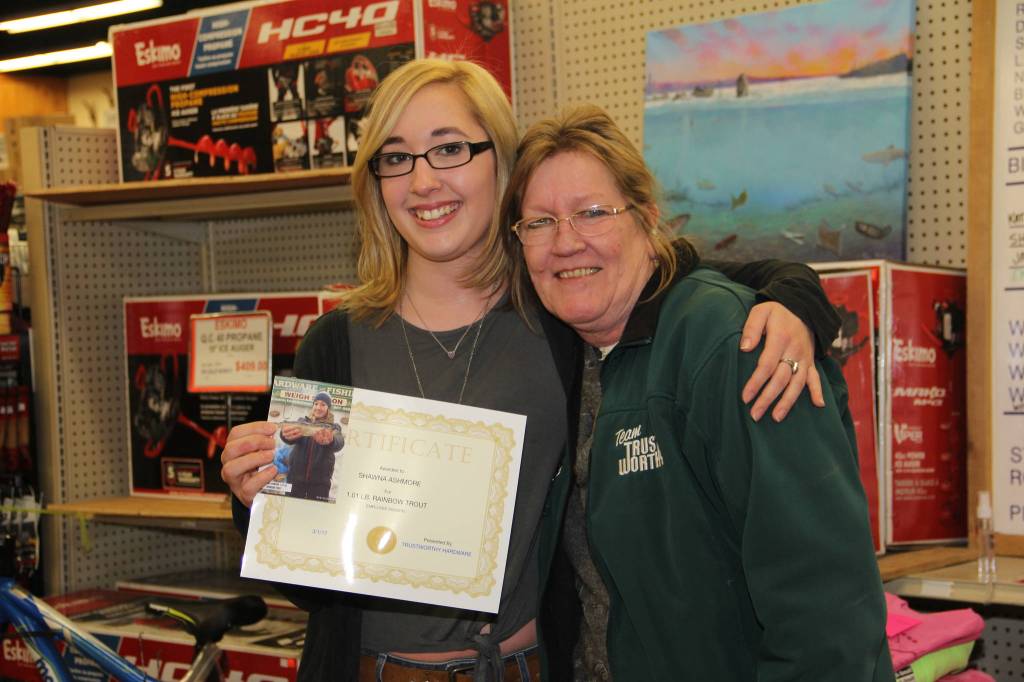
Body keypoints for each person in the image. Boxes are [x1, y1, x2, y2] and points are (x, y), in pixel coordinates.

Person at [221, 59, 840, 682]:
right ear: (375, 179)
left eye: (450, 149)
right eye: (396, 156)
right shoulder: (336, 342)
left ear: (501, 164)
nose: (424, 180)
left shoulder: (558, 310)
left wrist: (795, 304)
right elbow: (310, 577)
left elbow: (691, 276)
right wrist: (257, 504)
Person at [502, 104, 892, 681]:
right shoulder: (560, 354)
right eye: (539, 222)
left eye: (592, 213)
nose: (566, 242)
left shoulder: (735, 345)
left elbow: (826, 613)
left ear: (648, 220)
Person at [279, 391, 343, 501]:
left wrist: (331, 440)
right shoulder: (301, 421)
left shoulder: (334, 427)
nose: (318, 407)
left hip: (320, 483)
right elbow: (289, 439)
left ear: (328, 408)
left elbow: (339, 442)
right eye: (316, 403)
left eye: (323, 404)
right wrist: (284, 435)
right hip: (294, 479)